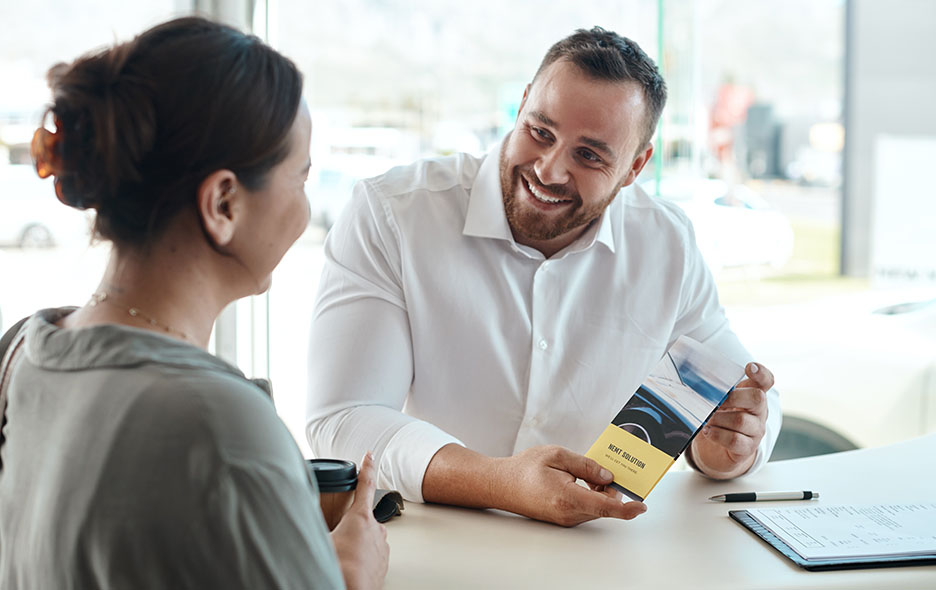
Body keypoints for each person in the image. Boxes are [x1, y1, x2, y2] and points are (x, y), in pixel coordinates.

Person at [306, 27, 781, 528]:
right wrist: (498, 482)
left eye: (589, 155)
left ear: (635, 167)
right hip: (434, 542)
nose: (550, 170)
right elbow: (344, 417)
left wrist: (725, 449)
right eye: (540, 132)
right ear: (522, 106)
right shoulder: (393, 214)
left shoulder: (666, 243)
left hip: (599, 550)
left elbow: (738, 383)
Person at [0, 17, 387, 589]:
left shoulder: (23, 352)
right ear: (223, 204)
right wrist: (352, 576)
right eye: (300, 179)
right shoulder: (220, 428)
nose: (305, 211)